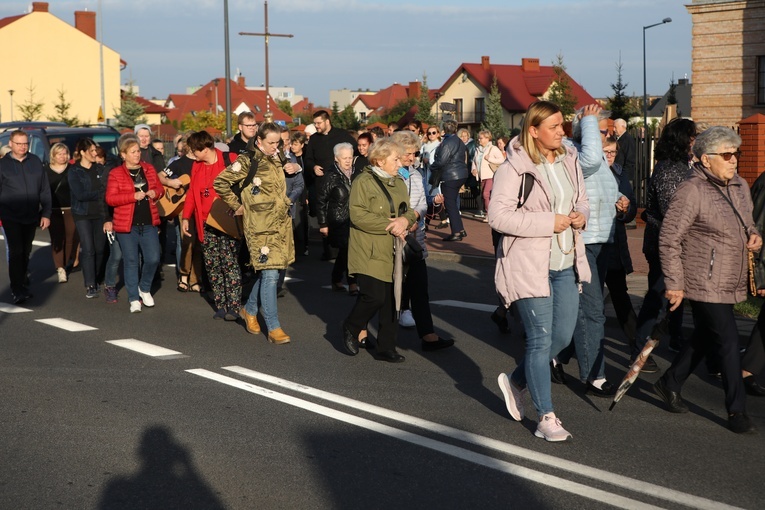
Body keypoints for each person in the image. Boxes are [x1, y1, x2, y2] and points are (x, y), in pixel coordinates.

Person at [489, 101, 590, 442]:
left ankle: (517, 381)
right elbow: (498, 218)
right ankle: (545, 417)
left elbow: (582, 199)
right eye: (555, 127)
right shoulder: (514, 168)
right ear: (533, 130)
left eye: (563, 125)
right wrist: (549, 222)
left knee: (561, 339)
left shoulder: (569, 159)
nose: (562, 131)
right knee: (539, 340)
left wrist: (580, 214)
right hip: (529, 265)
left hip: (565, 263)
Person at [654, 126, 761, 435]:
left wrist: (753, 234)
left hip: (730, 276)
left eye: (736, 153)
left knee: (705, 334)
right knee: (727, 340)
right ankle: (736, 410)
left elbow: (747, 220)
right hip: (702, 278)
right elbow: (669, 239)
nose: (734, 160)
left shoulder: (739, 184)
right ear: (705, 159)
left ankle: (670, 381)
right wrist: (674, 283)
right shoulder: (692, 191)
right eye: (727, 154)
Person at [557, 104, 626, 397]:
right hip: (582, 241)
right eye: (600, 131)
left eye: (607, 132)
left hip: (601, 239)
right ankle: (594, 375)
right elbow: (588, 163)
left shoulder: (589, 155)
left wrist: (622, 203)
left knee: (579, 309)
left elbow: (604, 187)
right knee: (593, 311)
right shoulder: (570, 151)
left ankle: (556, 355)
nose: (605, 137)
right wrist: (587, 121)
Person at [214, 122, 295, 344]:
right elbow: (220, 182)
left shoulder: (278, 157)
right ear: (259, 141)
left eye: (278, 142)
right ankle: (274, 327)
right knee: (269, 274)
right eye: (271, 143)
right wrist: (236, 205)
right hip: (259, 226)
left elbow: (288, 175)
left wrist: (296, 167)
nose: (275, 146)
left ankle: (249, 310)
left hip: (280, 225)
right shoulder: (247, 160)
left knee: (273, 272)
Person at [343, 138, 416, 362]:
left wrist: (405, 221)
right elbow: (357, 215)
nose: (400, 163)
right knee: (374, 296)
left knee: (392, 299)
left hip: (394, 249)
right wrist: (392, 224)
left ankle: (386, 347)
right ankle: (351, 326)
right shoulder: (363, 181)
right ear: (380, 160)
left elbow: (409, 211)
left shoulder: (399, 182)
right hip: (369, 248)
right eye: (395, 159)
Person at [635, 118, 697, 360]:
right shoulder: (670, 169)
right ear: (681, 139)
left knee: (674, 294)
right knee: (658, 297)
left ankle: (675, 337)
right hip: (663, 244)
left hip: (675, 244)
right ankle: (640, 345)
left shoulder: (683, 165)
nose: (695, 140)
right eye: (692, 136)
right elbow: (673, 210)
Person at [391, 131, 455, 351]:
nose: (412, 157)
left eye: (414, 153)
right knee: (384, 292)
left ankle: (428, 336)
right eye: (408, 153)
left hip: (414, 241)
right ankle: (362, 330)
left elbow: (422, 203)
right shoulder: (388, 176)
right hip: (391, 241)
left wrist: (417, 215)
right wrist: (402, 221)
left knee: (420, 288)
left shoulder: (416, 175)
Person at [182, 130, 241, 320]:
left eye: (193, 150)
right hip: (205, 221)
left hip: (226, 221)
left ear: (205, 148)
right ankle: (221, 305)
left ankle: (234, 306)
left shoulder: (229, 159)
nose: (192, 153)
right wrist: (185, 217)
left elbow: (245, 184)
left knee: (229, 263)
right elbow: (192, 193)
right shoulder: (197, 166)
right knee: (213, 265)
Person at [105, 136, 164, 313]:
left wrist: (156, 193)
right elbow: (110, 199)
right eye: (133, 152)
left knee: (153, 258)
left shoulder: (149, 169)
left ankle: (144, 288)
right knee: (131, 261)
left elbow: (160, 189)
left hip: (148, 222)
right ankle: (133, 298)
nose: (137, 155)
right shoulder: (116, 173)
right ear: (123, 154)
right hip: (126, 225)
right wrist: (132, 196)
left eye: (138, 151)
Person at [0, 130, 52, 303]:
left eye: (25, 144)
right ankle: (16, 289)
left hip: (31, 215)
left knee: (26, 251)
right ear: (11, 143)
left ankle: (21, 283)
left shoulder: (35, 162)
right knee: (16, 252)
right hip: (10, 216)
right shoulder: (3, 165)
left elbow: (44, 189)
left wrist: (46, 213)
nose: (22, 147)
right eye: (19, 143)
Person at [601, 137, 639, 360]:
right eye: (606, 151)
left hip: (614, 243)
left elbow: (632, 204)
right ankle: (564, 353)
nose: (610, 156)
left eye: (613, 152)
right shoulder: (587, 172)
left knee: (620, 294)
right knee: (590, 301)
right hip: (593, 244)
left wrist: (625, 209)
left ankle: (637, 346)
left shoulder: (618, 172)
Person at [69, 138, 108, 299]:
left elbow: (107, 189)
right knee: (89, 249)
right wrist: (100, 194)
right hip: (82, 214)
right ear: (83, 153)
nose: (94, 154)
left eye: (95, 150)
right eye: (91, 151)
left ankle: (98, 278)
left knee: (100, 249)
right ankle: (90, 284)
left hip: (99, 213)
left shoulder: (100, 169)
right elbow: (80, 195)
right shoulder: (74, 171)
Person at [317, 143, 359, 295]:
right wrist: (323, 224)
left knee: (347, 252)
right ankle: (352, 282)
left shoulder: (357, 173)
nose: (348, 161)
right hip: (338, 220)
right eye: (344, 158)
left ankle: (336, 278)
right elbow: (321, 200)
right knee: (348, 250)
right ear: (336, 159)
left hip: (355, 219)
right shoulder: (331, 176)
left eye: (350, 157)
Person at [429, 120, 468, 241]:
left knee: (450, 204)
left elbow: (441, 161)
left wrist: (431, 166)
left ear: (444, 129)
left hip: (451, 175)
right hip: (460, 174)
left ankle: (456, 232)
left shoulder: (447, 142)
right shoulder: (458, 140)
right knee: (453, 204)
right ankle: (460, 229)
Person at [45, 142, 78, 283]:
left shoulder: (73, 169)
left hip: (70, 209)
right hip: (53, 210)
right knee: (57, 239)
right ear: (53, 155)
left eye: (64, 153)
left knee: (71, 238)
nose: (62, 156)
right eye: (59, 153)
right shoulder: (45, 170)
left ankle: (68, 261)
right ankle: (60, 268)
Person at [471, 130, 504, 220]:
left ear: (487, 138)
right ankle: (490, 213)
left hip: (490, 175)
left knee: (486, 194)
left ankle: (489, 214)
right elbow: (474, 161)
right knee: (484, 195)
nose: (479, 140)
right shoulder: (478, 149)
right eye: (478, 138)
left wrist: (490, 159)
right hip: (482, 176)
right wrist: (473, 169)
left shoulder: (493, 148)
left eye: (481, 138)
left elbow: (501, 160)